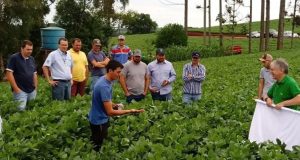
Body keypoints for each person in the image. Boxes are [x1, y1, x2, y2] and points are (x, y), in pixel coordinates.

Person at [88, 60, 144, 151]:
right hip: (99, 120)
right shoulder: (104, 86)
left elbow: (104, 100)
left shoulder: (105, 80)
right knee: (98, 145)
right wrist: (130, 111)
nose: (119, 75)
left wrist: (115, 105)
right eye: (118, 72)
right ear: (110, 70)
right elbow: (110, 112)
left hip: (98, 117)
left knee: (98, 140)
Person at [6, 40, 37, 110]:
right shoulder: (14, 58)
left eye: (31, 49)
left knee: (31, 110)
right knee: (21, 111)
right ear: (22, 48)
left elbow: (34, 74)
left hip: (32, 90)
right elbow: (9, 73)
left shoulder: (32, 59)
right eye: (28, 49)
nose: (30, 51)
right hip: (20, 90)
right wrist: (16, 89)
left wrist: (35, 87)